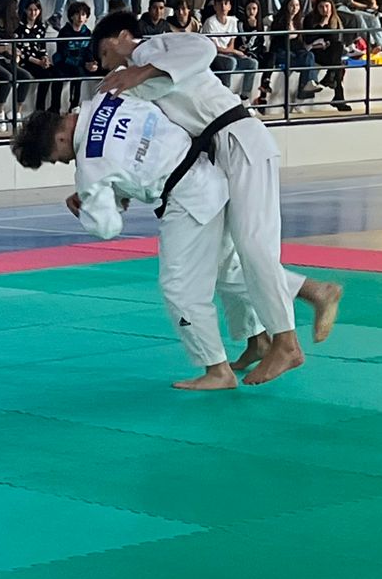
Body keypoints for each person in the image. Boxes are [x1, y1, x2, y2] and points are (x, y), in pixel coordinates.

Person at [97, 16, 341, 381]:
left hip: (239, 138)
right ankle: (263, 333)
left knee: (253, 245)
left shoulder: (154, 48)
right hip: (217, 157)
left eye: (104, 51)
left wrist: (144, 70)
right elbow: (122, 124)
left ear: (122, 37)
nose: (106, 62)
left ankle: (287, 342)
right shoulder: (136, 75)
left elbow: (204, 47)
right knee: (227, 259)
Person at [14, 82, 251, 389]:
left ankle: (218, 369)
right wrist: (120, 186)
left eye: (55, 157)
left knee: (178, 287)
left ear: (60, 137)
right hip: (213, 170)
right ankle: (257, 337)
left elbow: (107, 227)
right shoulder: (110, 96)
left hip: (186, 200)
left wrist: (85, 205)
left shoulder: (90, 167)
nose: (64, 162)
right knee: (225, 265)